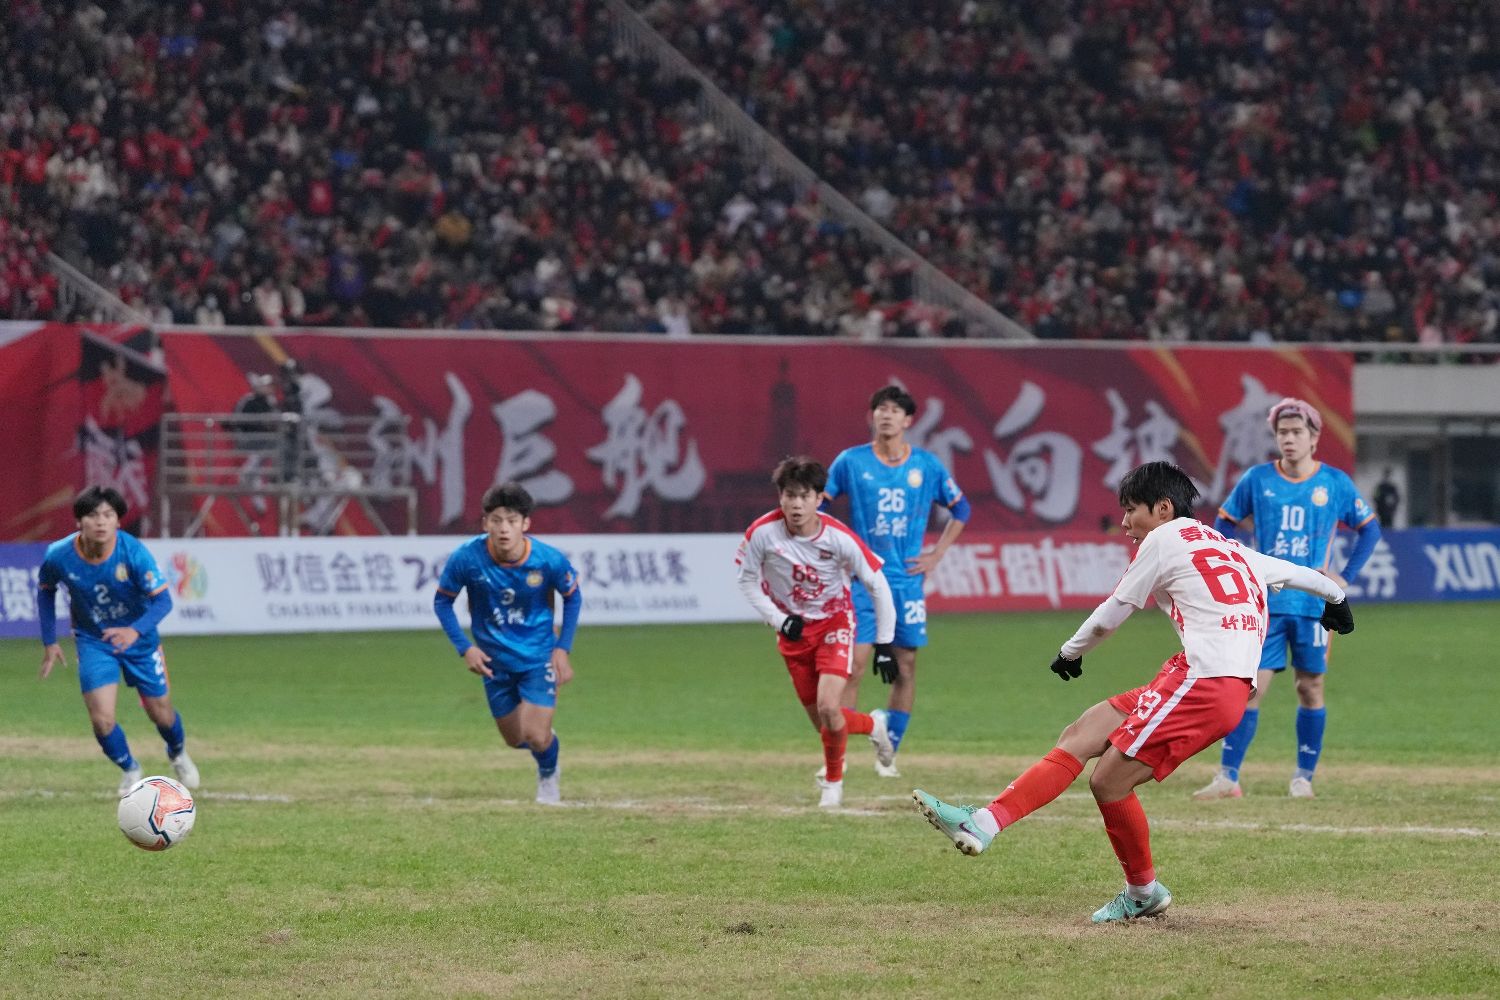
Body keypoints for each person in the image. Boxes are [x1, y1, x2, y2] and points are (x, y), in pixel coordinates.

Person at [911, 461, 1355, 923]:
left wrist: (1071, 652)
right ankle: (983, 823)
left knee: (1108, 781)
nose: (1124, 523)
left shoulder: (1163, 540)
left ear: (1162, 509)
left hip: (1204, 684)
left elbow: (1115, 610)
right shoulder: (1229, 546)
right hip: (1202, 679)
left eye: (1131, 510)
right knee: (1083, 732)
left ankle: (1142, 892)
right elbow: (1303, 576)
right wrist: (1338, 601)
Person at [1195, 398, 1381, 800]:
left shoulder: (1334, 483)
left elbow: (1369, 529)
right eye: (1282, 433)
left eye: (1297, 432)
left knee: (1310, 688)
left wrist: (1345, 577)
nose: (1289, 439)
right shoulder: (1257, 479)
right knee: (1249, 689)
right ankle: (1228, 777)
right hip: (1266, 605)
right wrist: (1235, 563)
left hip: (1314, 606)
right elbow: (1223, 524)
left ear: (1314, 438)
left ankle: (1303, 778)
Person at [823, 385, 970, 777]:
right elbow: (820, 505)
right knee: (854, 665)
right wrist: (834, 548)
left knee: (905, 667)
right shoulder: (850, 462)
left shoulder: (926, 466)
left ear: (908, 420)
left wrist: (937, 553)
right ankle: (838, 757)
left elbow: (961, 508)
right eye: (880, 409)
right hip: (862, 580)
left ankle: (888, 750)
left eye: (894, 410)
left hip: (905, 582)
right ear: (871, 416)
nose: (886, 415)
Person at [736, 456, 899, 808]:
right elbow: (746, 580)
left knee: (829, 707)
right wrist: (779, 619)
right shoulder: (762, 533)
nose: (796, 504)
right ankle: (874, 725)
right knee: (825, 723)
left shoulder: (838, 537)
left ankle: (833, 785)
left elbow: (878, 585)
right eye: (790, 495)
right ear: (780, 497)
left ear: (820, 498)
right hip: (793, 633)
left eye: (805, 496)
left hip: (834, 623)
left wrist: (885, 644)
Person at [37, 485, 201, 794]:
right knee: (102, 720)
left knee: (161, 713)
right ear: (78, 521)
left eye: (108, 515)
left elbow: (163, 601)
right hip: (94, 641)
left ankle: (178, 752)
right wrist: (50, 640)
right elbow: (46, 590)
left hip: (141, 640)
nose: (101, 522)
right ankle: (130, 768)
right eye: (92, 515)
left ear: (118, 521)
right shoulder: (59, 555)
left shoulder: (133, 552)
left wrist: (134, 630)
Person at [433, 482, 581, 805]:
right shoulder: (466, 559)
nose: (503, 529)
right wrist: (465, 648)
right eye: (496, 520)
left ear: (525, 524)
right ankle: (546, 742)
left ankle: (548, 774)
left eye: (511, 521)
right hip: (494, 662)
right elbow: (442, 602)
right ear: (485, 522)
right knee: (514, 739)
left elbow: (573, 596)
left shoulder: (547, 560)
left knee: (534, 735)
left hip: (538, 658)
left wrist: (562, 648)